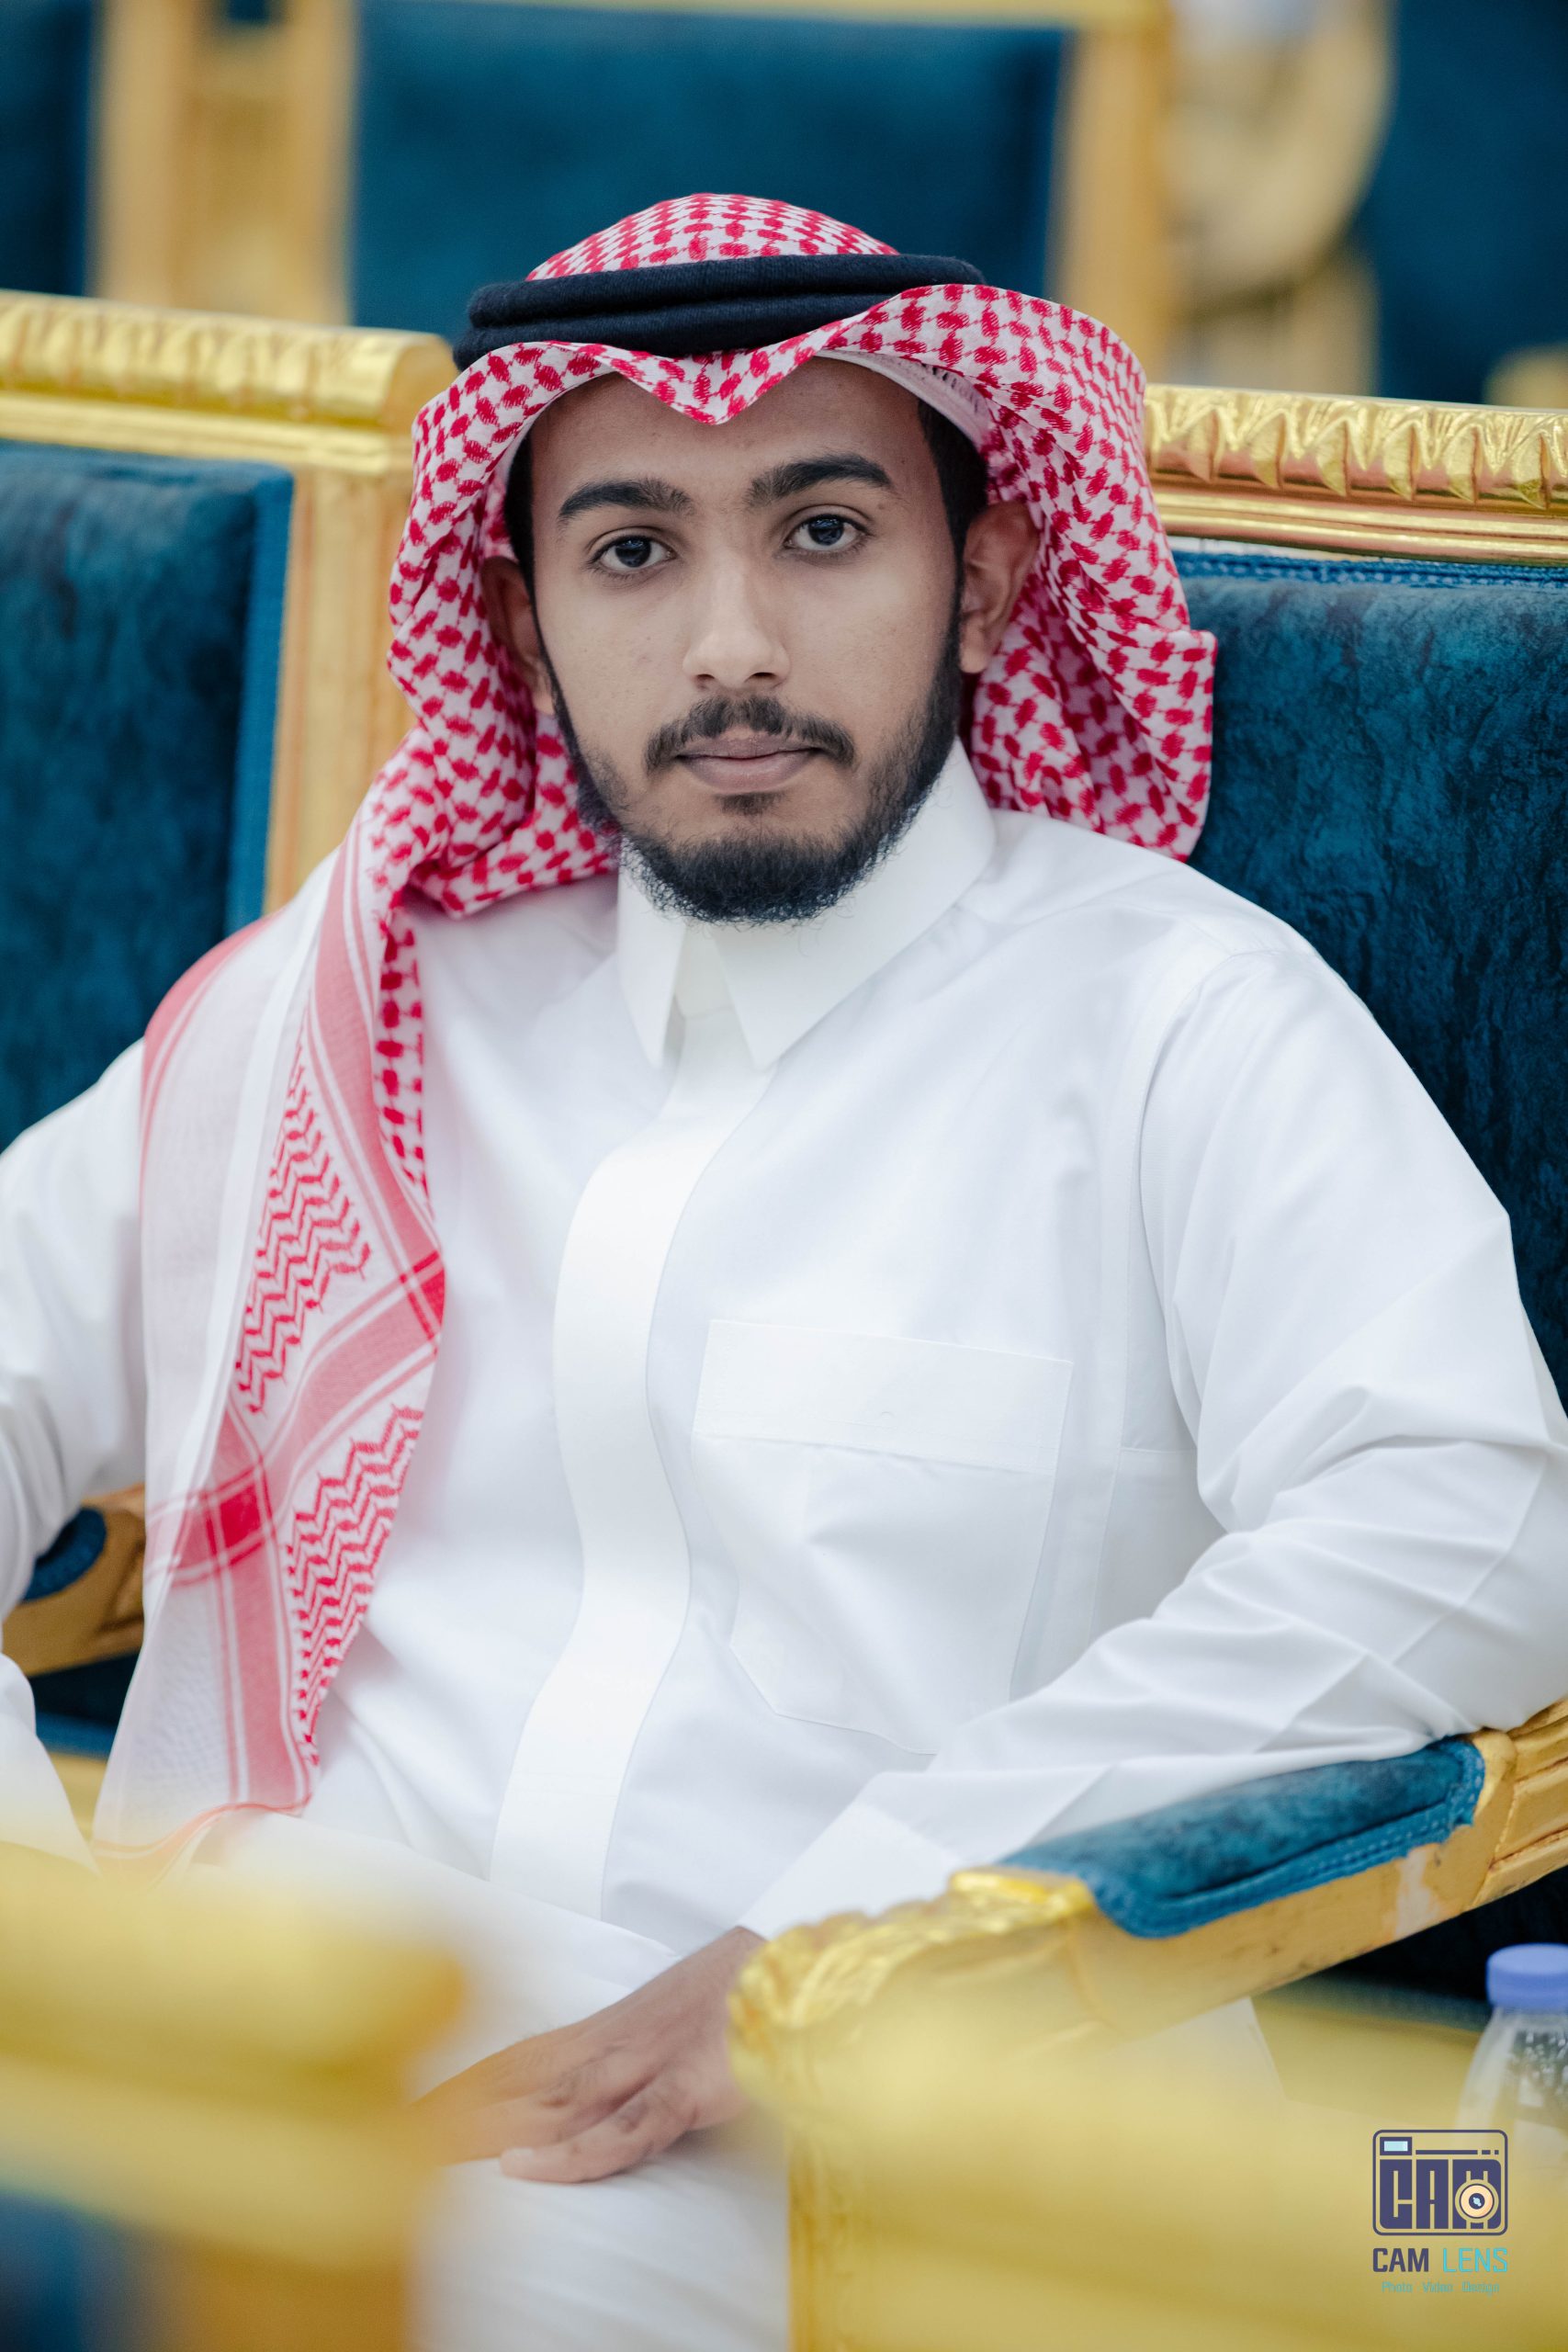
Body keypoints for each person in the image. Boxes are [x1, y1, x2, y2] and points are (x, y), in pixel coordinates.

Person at [2, 192, 1567, 2347]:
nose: (728, 646)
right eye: (631, 550)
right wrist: (66, 1960)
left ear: (981, 578)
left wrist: (826, 1942)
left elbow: (1471, 1513)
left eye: (821, 532)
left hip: (852, 2139)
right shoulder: (361, 1000)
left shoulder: (1175, 1028)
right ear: (524, 614)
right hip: (273, 2059)